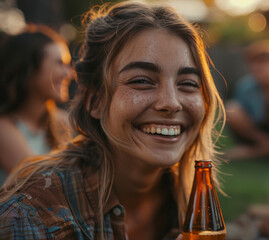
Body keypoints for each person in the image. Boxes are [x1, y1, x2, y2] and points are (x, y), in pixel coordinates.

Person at [0, 2, 225, 240]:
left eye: (188, 83)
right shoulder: (30, 217)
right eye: (142, 80)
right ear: (95, 101)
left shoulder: (194, 200)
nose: (171, 103)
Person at [0, 25, 72, 182]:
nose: (69, 74)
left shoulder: (62, 122)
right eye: (60, 63)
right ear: (29, 69)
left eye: (68, 64)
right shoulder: (4, 128)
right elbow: (42, 183)